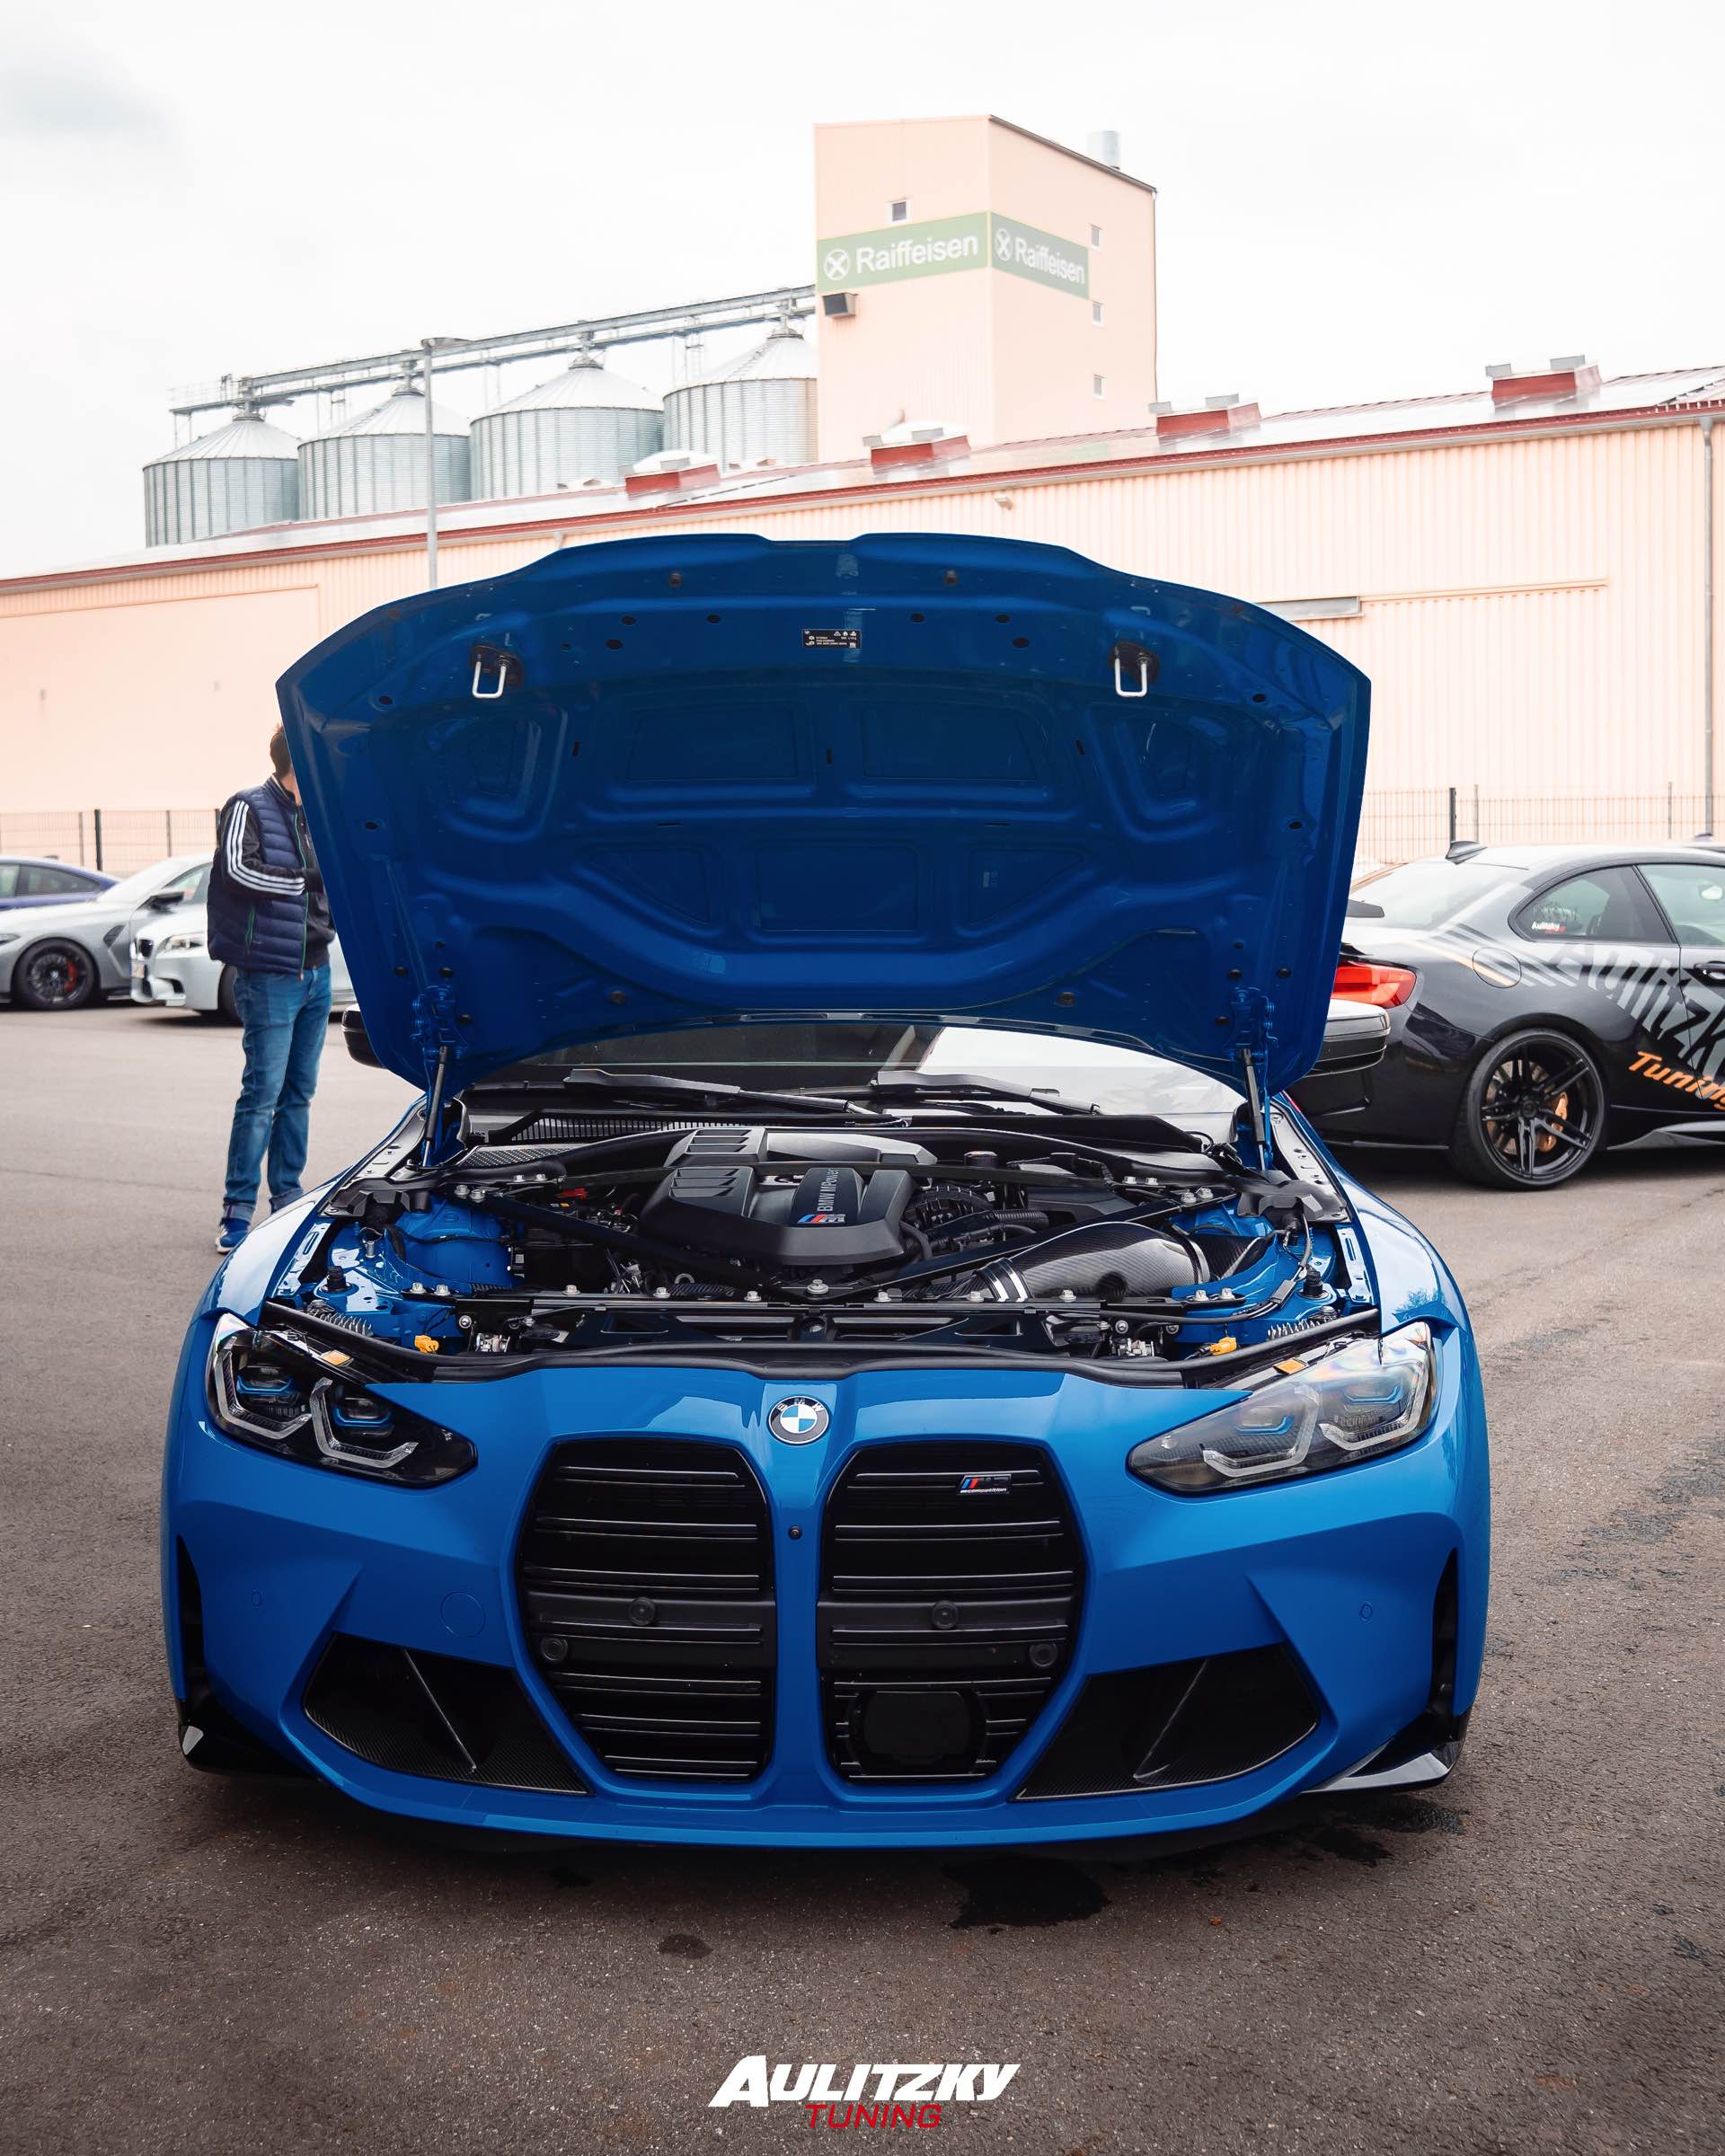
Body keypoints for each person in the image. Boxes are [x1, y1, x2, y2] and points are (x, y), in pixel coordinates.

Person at [208, 724, 334, 1251]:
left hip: (316, 972)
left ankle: (287, 1200)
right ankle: (237, 1212)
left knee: (299, 1093)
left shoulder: (319, 813)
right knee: (262, 1095)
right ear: (296, 761)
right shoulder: (248, 805)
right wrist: (305, 879)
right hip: (268, 976)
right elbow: (238, 871)